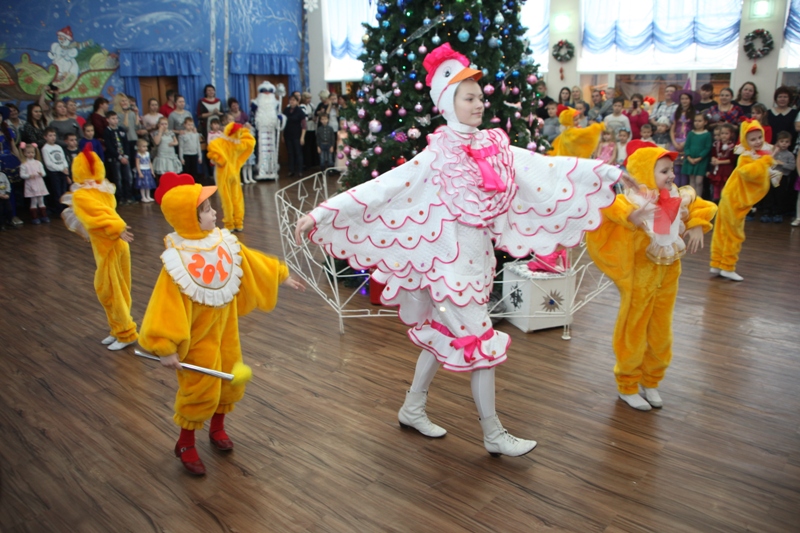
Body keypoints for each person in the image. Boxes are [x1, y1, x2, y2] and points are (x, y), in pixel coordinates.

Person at [295, 43, 621, 457]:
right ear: (448, 103)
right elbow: (384, 186)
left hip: (477, 263)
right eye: (470, 97)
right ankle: (493, 433)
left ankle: (412, 407)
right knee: (480, 343)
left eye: (481, 96)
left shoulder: (493, 146)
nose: (480, 103)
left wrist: (606, 171)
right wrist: (325, 211)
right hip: (447, 269)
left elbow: (546, 169)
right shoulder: (437, 154)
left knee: (445, 335)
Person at [138, 172, 304, 475]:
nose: (215, 213)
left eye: (212, 208)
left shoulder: (223, 240)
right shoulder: (177, 260)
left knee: (228, 377)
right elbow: (164, 305)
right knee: (200, 388)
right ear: (188, 217)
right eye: (206, 210)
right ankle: (185, 442)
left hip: (226, 328)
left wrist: (282, 274)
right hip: (197, 335)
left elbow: (250, 260)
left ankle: (217, 428)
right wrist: (164, 346)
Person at [586, 140, 717, 411]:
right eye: (664, 171)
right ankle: (628, 384)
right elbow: (609, 207)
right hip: (638, 278)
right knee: (633, 329)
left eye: (672, 170)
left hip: (669, 275)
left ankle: (652, 380)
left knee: (661, 330)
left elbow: (702, 206)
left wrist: (696, 225)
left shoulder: (678, 196)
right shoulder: (632, 200)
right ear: (646, 172)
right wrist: (631, 217)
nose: (671, 175)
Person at [61, 145, 138, 350]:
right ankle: (117, 329)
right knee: (120, 289)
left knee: (110, 291)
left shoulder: (82, 195)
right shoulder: (104, 189)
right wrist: (117, 228)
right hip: (116, 243)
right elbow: (105, 211)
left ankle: (125, 332)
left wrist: (117, 227)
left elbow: (100, 215)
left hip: (109, 245)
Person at [710, 120, 778, 281]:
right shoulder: (746, 157)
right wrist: (766, 161)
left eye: (759, 137)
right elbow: (749, 173)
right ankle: (727, 266)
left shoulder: (757, 156)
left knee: (723, 231)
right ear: (746, 141)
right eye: (753, 139)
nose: (758, 141)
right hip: (735, 201)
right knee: (734, 234)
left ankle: (717, 263)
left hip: (732, 198)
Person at [207, 123, 255, 232]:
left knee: (226, 199)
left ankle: (229, 224)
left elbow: (213, 150)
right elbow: (251, 142)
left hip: (224, 174)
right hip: (234, 173)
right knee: (237, 198)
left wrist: (217, 159)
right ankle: (238, 222)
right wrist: (246, 132)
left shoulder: (220, 143)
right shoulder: (238, 144)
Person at [759, 131, 795, 223]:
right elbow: (765, 161)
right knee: (769, 194)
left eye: (786, 142)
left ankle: (777, 213)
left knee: (780, 195)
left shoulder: (789, 155)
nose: (784, 144)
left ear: (790, 143)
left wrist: (782, 163)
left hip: (782, 177)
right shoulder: (771, 151)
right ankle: (767, 212)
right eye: (782, 141)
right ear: (778, 142)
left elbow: (792, 167)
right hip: (770, 176)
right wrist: (774, 155)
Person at [103, 111, 134, 206]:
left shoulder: (121, 129)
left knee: (128, 177)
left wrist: (126, 156)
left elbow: (126, 144)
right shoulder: (107, 131)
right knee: (118, 179)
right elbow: (109, 146)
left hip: (125, 157)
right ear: (107, 120)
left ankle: (128, 196)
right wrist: (119, 157)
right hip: (115, 159)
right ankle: (120, 198)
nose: (115, 120)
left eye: (116, 118)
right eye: (113, 118)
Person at [682, 114, 713, 197]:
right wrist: (688, 157)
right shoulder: (691, 134)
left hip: (701, 161)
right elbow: (687, 146)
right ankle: (692, 198)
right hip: (690, 160)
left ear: (705, 122)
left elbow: (707, 147)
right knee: (691, 181)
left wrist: (700, 157)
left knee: (699, 182)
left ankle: (698, 198)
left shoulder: (707, 134)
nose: (697, 123)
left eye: (700, 121)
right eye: (695, 121)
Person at [41, 127, 70, 214]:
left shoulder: (58, 147)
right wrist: (61, 169)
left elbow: (63, 159)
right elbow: (48, 164)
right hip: (54, 173)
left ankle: (65, 208)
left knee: (64, 191)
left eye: (54, 135)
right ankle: (59, 209)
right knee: (57, 192)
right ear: (45, 137)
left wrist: (65, 167)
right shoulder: (45, 148)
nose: (53, 137)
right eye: (50, 135)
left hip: (63, 172)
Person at [19, 142, 49, 224]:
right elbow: (22, 175)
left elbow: (44, 173)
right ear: (24, 153)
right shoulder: (24, 164)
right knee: (34, 201)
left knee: (41, 200)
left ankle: (44, 216)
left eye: (32, 152)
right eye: (28, 153)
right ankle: (34, 217)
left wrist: (41, 174)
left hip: (39, 184)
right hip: (31, 184)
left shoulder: (38, 163)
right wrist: (28, 176)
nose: (31, 154)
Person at [708, 123, 735, 202]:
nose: (724, 135)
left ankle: (723, 202)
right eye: (722, 133)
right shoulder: (716, 144)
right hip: (717, 169)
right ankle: (716, 202)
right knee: (716, 186)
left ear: (731, 134)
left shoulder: (732, 146)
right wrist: (713, 159)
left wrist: (719, 162)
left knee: (724, 187)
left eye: (726, 133)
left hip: (726, 170)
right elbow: (713, 154)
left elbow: (731, 159)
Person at [282, 94, 306, 177]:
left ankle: (300, 170)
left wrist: (302, 137)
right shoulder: (286, 110)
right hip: (288, 134)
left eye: (293, 100)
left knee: (298, 152)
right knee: (290, 153)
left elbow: (304, 125)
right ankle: (291, 170)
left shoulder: (300, 111)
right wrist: (282, 135)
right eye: (290, 100)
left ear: (297, 101)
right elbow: (283, 124)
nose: (292, 102)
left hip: (297, 135)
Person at [178, 117, 202, 182]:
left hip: (194, 154)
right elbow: (181, 147)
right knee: (187, 171)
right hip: (186, 155)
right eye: (188, 124)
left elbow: (198, 145)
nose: (190, 126)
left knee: (194, 170)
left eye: (191, 124)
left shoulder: (196, 134)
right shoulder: (182, 135)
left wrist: (200, 156)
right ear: (184, 125)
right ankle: (186, 183)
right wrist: (181, 158)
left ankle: (194, 183)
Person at [134, 139, 157, 203]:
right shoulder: (138, 154)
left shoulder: (147, 153)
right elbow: (137, 164)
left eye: (146, 146)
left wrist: (152, 170)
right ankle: (143, 197)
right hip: (142, 170)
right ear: (139, 147)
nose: (145, 148)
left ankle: (148, 196)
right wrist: (139, 172)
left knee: (148, 184)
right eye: (143, 146)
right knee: (143, 184)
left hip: (148, 170)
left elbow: (150, 162)